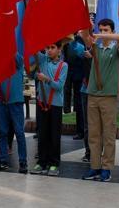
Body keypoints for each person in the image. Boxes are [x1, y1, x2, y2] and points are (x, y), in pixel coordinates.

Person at [81, 19, 119, 182]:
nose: (103, 33)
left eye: (106, 30)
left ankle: (106, 168)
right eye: (101, 30)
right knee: (94, 134)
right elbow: (84, 35)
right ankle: (95, 167)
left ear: (112, 31)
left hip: (108, 96)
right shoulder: (96, 48)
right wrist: (88, 26)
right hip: (93, 94)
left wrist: (100, 35)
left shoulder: (116, 49)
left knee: (108, 134)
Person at [29, 41, 68, 176]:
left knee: (54, 135)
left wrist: (46, 79)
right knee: (42, 134)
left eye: (52, 48)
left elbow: (59, 86)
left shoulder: (63, 66)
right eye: (47, 48)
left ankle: (54, 163)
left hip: (55, 105)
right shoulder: (43, 60)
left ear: (59, 49)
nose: (49, 50)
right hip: (42, 104)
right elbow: (32, 50)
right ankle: (41, 162)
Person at [0, 54, 28, 174]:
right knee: (2, 132)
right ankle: (3, 159)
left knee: (19, 132)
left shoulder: (16, 60)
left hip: (15, 101)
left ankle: (23, 161)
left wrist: (9, 48)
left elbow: (19, 59)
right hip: (1, 100)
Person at [63, 33, 87, 140]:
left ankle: (81, 131)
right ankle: (80, 130)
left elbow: (80, 55)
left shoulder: (78, 41)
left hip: (79, 76)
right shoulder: (67, 42)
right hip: (70, 75)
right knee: (73, 101)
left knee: (79, 104)